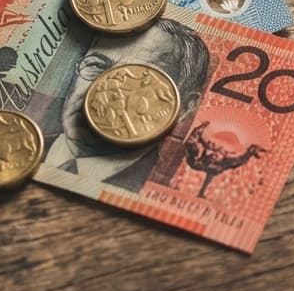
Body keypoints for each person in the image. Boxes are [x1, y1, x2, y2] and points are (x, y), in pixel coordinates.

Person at [42, 18, 210, 192]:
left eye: (141, 80)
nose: (104, 91)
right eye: (97, 65)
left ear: (185, 107)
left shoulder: (151, 188)